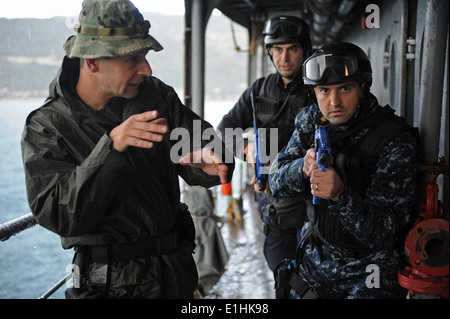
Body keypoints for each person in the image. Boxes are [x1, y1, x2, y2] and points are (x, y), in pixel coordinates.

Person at [21, 0, 233, 299]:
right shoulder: (47, 127)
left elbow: (203, 146)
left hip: (176, 274)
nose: (146, 69)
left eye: (144, 56)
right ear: (92, 61)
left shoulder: (155, 96)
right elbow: (58, 215)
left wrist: (210, 162)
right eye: (132, 58)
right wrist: (112, 147)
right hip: (109, 284)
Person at [269, 42, 419, 298]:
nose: (334, 102)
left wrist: (341, 196)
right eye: (324, 90)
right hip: (316, 256)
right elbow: (275, 182)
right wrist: (301, 168)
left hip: (370, 269)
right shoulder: (310, 120)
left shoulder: (394, 139)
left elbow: (385, 235)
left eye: (345, 89)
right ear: (314, 91)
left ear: (362, 87)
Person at [217, 15, 313, 271]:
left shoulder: (320, 89)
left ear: (305, 50)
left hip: (314, 203)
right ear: (270, 52)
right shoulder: (258, 90)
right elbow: (225, 130)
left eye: (292, 49)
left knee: (315, 277)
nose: (285, 58)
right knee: (280, 272)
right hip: (272, 201)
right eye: (278, 50)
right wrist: (246, 148)